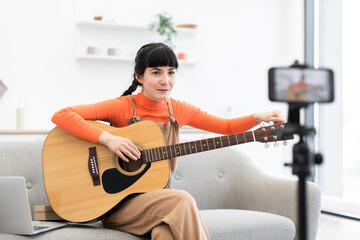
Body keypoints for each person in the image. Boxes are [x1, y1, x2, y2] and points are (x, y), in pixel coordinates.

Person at [52, 42, 284, 240]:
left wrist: (256, 118)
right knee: (181, 199)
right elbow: (62, 115)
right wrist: (109, 139)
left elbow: (225, 127)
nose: (166, 81)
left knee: (165, 232)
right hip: (117, 205)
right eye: (156, 72)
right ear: (139, 76)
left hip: (160, 200)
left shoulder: (180, 110)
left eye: (171, 72)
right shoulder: (122, 106)